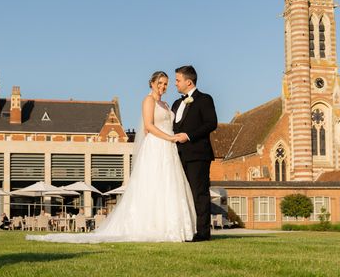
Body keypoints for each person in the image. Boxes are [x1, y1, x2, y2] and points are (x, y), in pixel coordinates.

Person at [27, 71, 196, 243]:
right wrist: (169, 138)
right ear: (152, 83)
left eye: (166, 84)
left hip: (169, 149)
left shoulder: (166, 104)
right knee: (153, 185)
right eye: (159, 83)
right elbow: (148, 126)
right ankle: (152, 226)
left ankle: (172, 226)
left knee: (168, 184)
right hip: (158, 145)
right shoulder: (148, 101)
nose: (163, 87)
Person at [172, 65, 218, 241]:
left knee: (199, 193)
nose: (175, 84)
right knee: (182, 194)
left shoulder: (205, 99)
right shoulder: (177, 103)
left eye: (178, 80)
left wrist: (189, 136)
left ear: (188, 81)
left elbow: (211, 123)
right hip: (178, 156)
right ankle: (185, 230)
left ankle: (203, 233)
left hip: (198, 155)